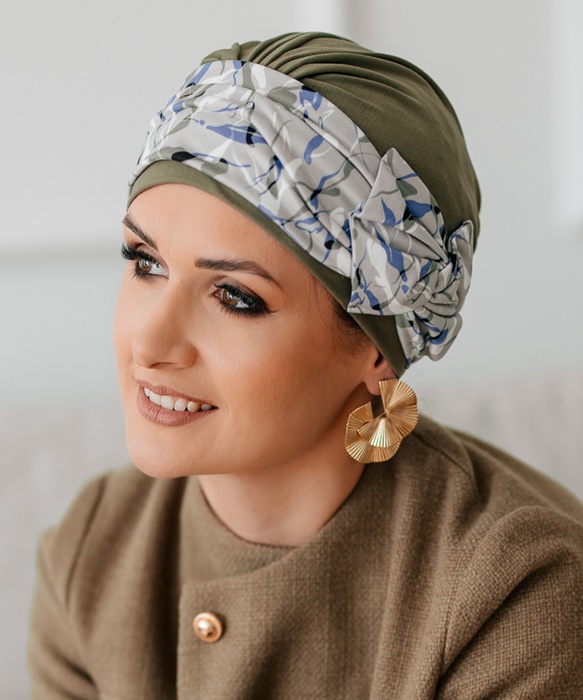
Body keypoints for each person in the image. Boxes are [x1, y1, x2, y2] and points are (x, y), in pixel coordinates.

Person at [28, 32, 583, 699]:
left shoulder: (518, 592)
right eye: (145, 263)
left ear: (376, 348)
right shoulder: (90, 550)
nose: (150, 342)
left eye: (235, 297)